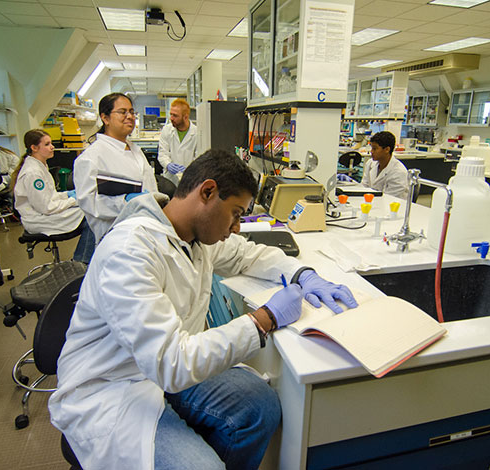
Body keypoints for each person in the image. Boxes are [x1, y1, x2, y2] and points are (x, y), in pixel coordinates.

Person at [49, 149, 358, 470]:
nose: (238, 227)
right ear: (207, 192)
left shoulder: (191, 236)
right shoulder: (130, 252)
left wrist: (303, 275)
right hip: (112, 388)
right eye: (236, 213)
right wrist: (264, 319)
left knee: (259, 406)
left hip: (160, 374)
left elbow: (247, 255)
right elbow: (171, 362)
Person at [73, 92, 158, 243]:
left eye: (132, 112)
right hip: (118, 238)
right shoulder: (91, 158)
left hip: (148, 230)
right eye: (122, 112)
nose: (130, 116)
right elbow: (90, 203)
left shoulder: (135, 151)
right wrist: (125, 202)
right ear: (105, 118)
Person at [12, 129, 95, 263]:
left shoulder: (40, 166)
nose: (52, 147)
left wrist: (67, 195)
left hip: (42, 212)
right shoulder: (33, 173)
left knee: (90, 213)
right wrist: (73, 200)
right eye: (47, 144)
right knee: (91, 217)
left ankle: (81, 260)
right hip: (38, 220)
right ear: (34, 148)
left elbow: (49, 195)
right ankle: (81, 261)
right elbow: (47, 207)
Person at [338, 131, 409, 200]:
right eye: (371, 148)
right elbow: (364, 187)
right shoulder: (370, 163)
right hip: (373, 202)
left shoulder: (398, 172)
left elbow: (389, 199)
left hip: (392, 207)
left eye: (375, 149)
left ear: (387, 149)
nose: (371, 151)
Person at [157, 98, 198, 185]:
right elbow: (162, 154)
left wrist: (189, 170)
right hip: (170, 178)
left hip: (190, 178)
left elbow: (198, 158)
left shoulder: (197, 133)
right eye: (171, 114)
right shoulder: (167, 130)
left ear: (185, 117)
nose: (171, 118)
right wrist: (168, 165)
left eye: (175, 116)